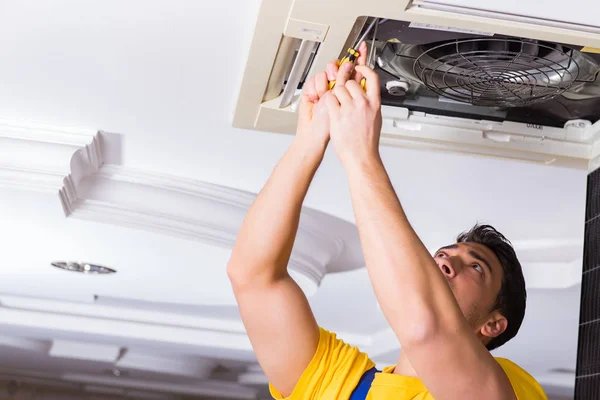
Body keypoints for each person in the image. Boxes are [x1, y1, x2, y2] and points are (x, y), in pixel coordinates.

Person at [227, 42, 547, 400]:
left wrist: (360, 155)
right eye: (445, 253)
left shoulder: (504, 389)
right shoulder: (343, 384)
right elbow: (253, 276)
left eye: (476, 268)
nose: (444, 260)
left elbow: (426, 328)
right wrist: (310, 140)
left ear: (493, 324)